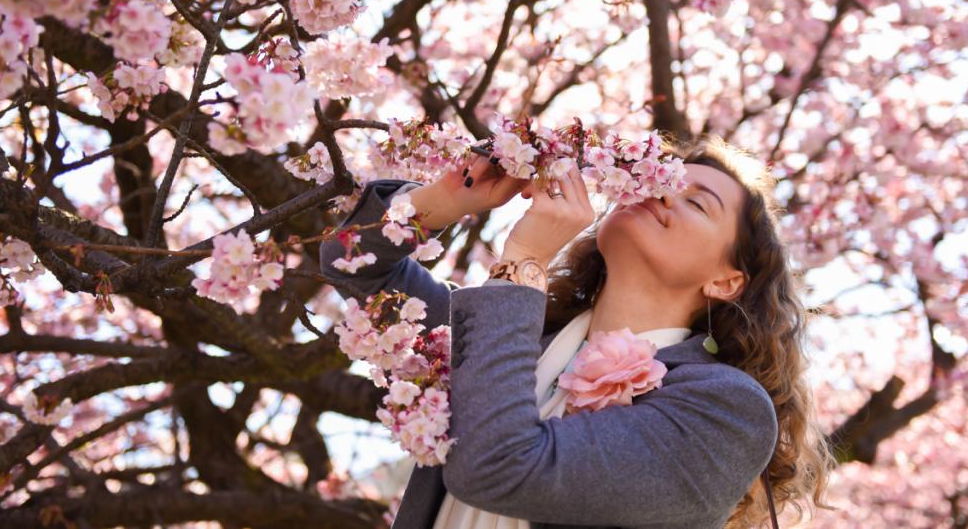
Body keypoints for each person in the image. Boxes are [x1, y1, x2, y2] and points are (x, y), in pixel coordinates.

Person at [320, 133, 831, 529]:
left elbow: (498, 466)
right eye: (662, 181)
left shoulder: (725, 411)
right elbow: (354, 262)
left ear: (726, 281)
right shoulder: (519, 340)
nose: (665, 195)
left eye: (697, 203)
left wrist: (524, 262)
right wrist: (447, 198)